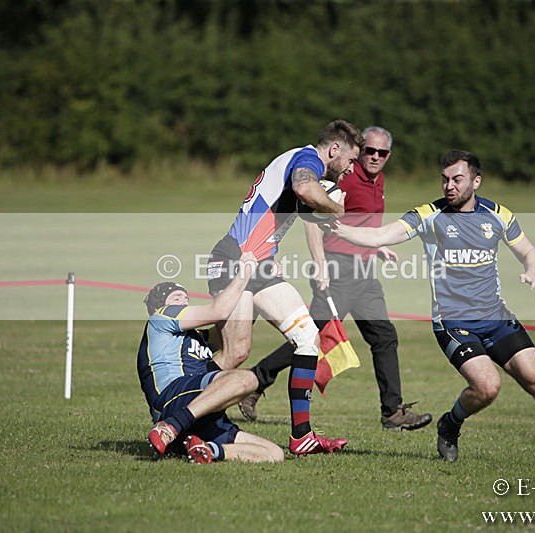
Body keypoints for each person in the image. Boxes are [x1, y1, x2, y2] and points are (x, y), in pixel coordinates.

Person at [326, 149, 535, 471]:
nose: (449, 186)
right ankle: (450, 424)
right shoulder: (429, 215)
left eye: (457, 179)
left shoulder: (498, 215)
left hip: (496, 318)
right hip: (453, 324)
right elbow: (381, 234)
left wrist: (532, 272)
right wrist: (340, 229)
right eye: (445, 179)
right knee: (488, 387)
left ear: (476, 181)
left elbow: (528, 251)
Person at [239, 126, 433, 431]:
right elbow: (312, 221)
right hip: (338, 271)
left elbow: (361, 225)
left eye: (382, 153)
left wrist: (377, 248)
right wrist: (320, 265)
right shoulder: (345, 177)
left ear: (389, 155)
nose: (375, 157)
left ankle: (393, 413)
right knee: (311, 336)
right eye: (369, 151)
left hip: (364, 273)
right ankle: (256, 380)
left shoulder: (378, 180)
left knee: (384, 337)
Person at [206, 119, 364, 456]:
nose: (352, 169)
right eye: (351, 160)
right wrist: (337, 207)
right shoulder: (308, 160)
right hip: (235, 259)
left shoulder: (304, 164)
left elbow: (297, 208)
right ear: (335, 149)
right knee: (234, 353)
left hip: (259, 265)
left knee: (308, 338)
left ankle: (301, 436)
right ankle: (179, 416)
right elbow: (306, 189)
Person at [138, 251, 284, 463]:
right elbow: (220, 311)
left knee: (274, 454)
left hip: (200, 408)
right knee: (248, 380)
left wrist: (259, 283)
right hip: (173, 398)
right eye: (177, 298)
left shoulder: (195, 336)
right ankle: (171, 427)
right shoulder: (161, 317)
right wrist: (244, 272)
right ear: (160, 306)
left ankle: (205, 448)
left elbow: (236, 335)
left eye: (186, 297)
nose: (184, 301)